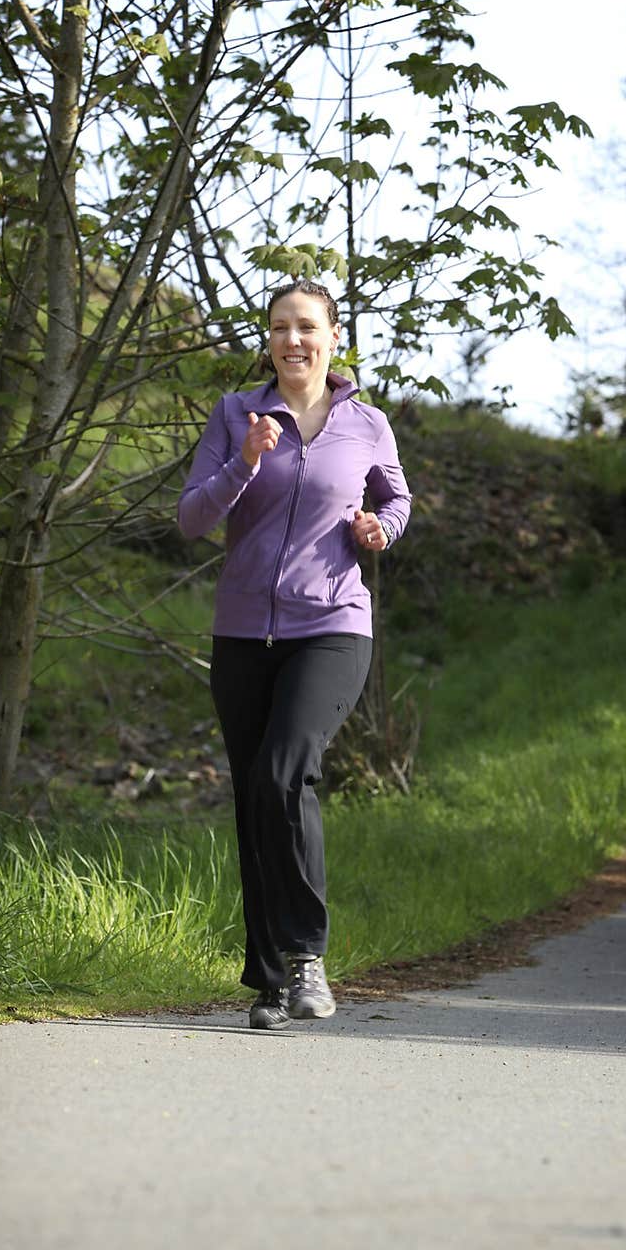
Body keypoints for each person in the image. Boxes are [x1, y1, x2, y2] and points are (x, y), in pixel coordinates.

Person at [177, 277, 412, 1030]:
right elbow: (190, 518)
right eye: (279, 327)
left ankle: (307, 956)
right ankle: (270, 981)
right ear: (268, 340)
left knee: (285, 770)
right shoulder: (235, 414)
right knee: (254, 796)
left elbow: (397, 499)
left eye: (306, 326)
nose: (292, 340)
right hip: (244, 632)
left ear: (333, 338)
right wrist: (244, 460)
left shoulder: (368, 424)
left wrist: (381, 528)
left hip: (333, 625)